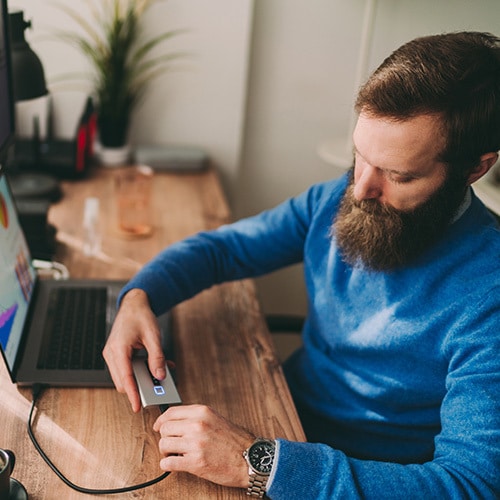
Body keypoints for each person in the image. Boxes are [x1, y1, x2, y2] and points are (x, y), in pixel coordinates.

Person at [103, 31, 500, 499]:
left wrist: (258, 463)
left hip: (358, 477)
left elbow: (471, 485)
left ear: (476, 168)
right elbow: (225, 248)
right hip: (279, 415)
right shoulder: (339, 197)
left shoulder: (488, 296)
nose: (360, 190)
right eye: (361, 156)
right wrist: (139, 296)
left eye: (398, 175)